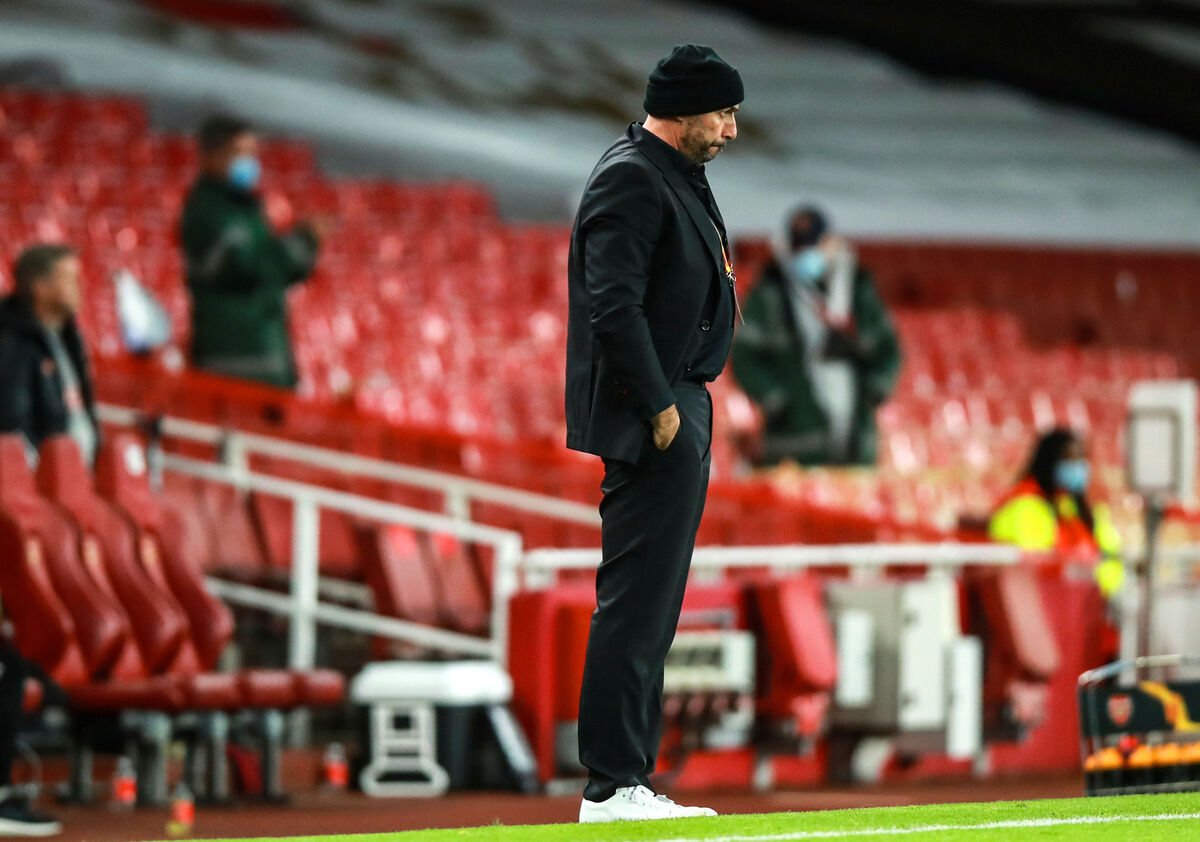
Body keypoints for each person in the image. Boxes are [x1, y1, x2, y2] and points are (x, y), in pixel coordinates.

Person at [565, 44, 742, 823]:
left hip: (680, 400)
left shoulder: (671, 174)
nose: (732, 130)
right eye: (724, 112)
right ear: (682, 108)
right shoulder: (632, 177)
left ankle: (628, 776)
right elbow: (613, 305)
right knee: (637, 604)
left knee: (655, 606)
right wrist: (661, 411)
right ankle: (611, 784)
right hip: (656, 414)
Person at [731, 207, 901, 466]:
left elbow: (887, 347)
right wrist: (774, 398)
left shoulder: (857, 287)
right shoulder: (771, 289)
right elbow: (744, 354)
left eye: (813, 245)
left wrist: (876, 387)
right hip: (795, 438)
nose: (805, 255)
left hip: (855, 431)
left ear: (830, 243)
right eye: (799, 248)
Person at [180, 114, 327, 388]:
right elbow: (251, 265)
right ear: (210, 157)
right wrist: (296, 243)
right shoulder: (206, 212)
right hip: (229, 362)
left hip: (269, 358)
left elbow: (280, 271)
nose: (248, 163)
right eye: (238, 153)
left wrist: (307, 244)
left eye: (252, 154)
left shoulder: (248, 210)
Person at [989, 427, 1124, 597]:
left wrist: (1095, 588)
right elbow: (1035, 570)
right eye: (1069, 459)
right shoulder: (1024, 509)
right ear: (1049, 463)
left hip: (1086, 606)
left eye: (1081, 459)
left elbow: (1112, 558)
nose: (1077, 467)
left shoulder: (1084, 512)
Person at [0, 244, 98, 467]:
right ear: (40, 287)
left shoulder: (68, 338)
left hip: (77, 479)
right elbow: (12, 428)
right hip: (46, 485)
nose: (81, 285)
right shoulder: (13, 344)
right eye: (70, 278)